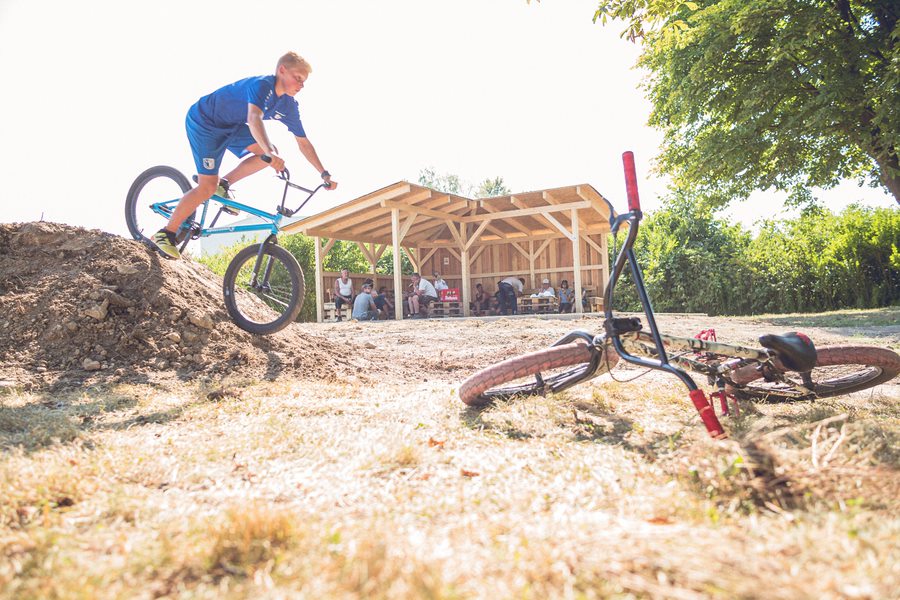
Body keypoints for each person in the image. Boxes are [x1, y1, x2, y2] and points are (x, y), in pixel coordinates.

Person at [150, 52, 338, 260]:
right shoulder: (262, 85)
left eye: (304, 81)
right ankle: (166, 233)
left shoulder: (289, 106)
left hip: (232, 126)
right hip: (205, 122)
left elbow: (303, 142)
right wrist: (269, 152)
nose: (301, 85)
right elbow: (254, 117)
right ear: (282, 70)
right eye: (298, 78)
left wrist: (324, 174)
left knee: (265, 156)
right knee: (207, 186)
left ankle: (225, 184)